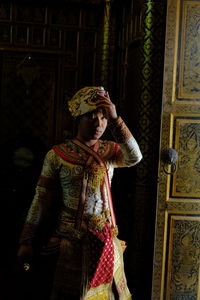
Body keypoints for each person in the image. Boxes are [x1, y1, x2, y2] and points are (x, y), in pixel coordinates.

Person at [17, 86, 142, 300]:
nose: (98, 123)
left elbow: (135, 157)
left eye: (103, 118)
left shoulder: (110, 151)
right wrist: (26, 240)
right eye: (90, 117)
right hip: (70, 240)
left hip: (106, 239)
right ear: (78, 119)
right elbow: (41, 200)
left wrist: (115, 119)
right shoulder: (57, 155)